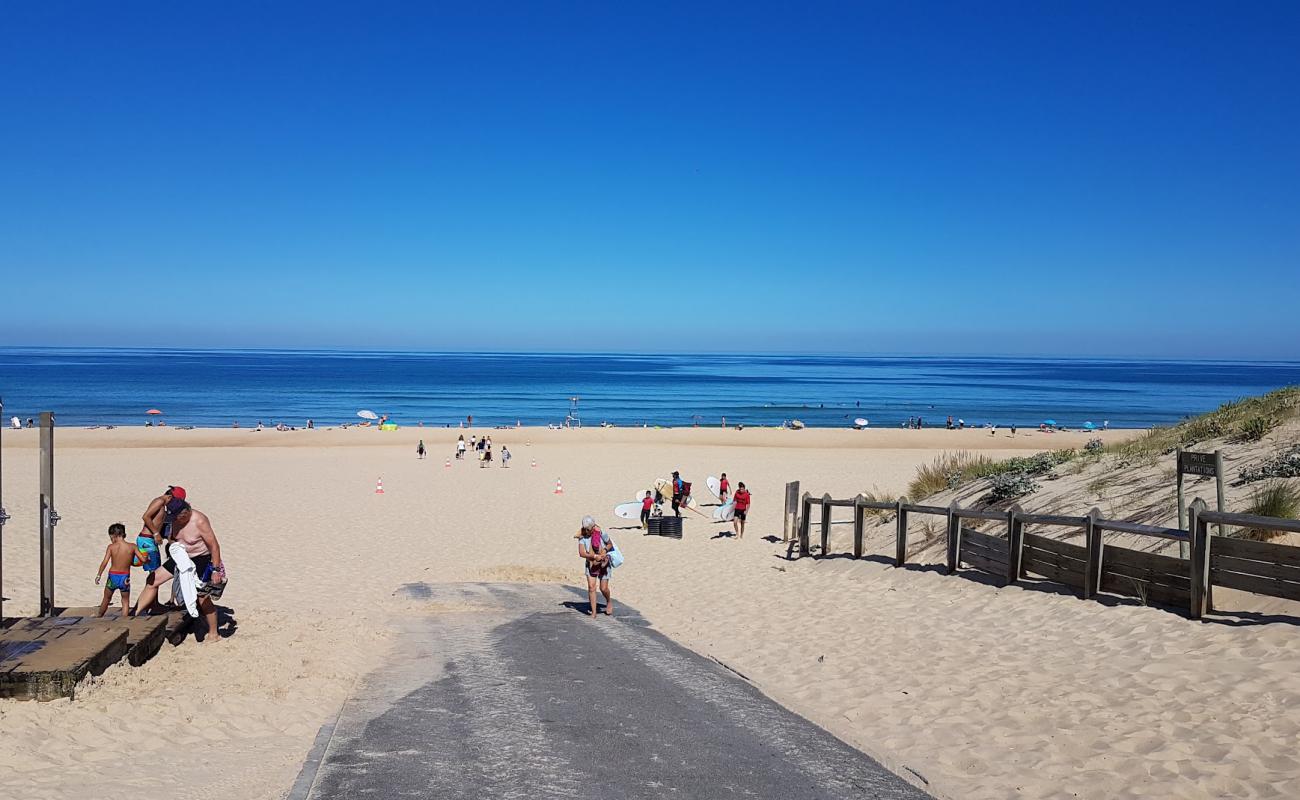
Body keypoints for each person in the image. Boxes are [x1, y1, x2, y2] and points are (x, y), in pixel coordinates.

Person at [95, 523, 136, 617]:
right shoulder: (132, 546)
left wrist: (99, 575)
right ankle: (124, 620)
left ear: (114, 536)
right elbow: (142, 560)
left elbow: (104, 562)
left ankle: (99, 615)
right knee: (125, 600)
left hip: (112, 577)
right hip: (125, 577)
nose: (111, 540)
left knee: (106, 598)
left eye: (111, 538)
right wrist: (146, 559)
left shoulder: (111, 547)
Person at [577, 516, 613, 618]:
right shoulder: (582, 537)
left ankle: (609, 601)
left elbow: (610, 544)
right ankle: (593, 612)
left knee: (603, 588)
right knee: (591, 587)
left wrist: (605, 551)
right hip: (591, 564)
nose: (586, 531)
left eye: (588, 529)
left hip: (604, 563)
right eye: (585, 529)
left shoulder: (601, 533)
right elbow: (582, 553)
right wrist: (593, 556)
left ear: (593, 527)